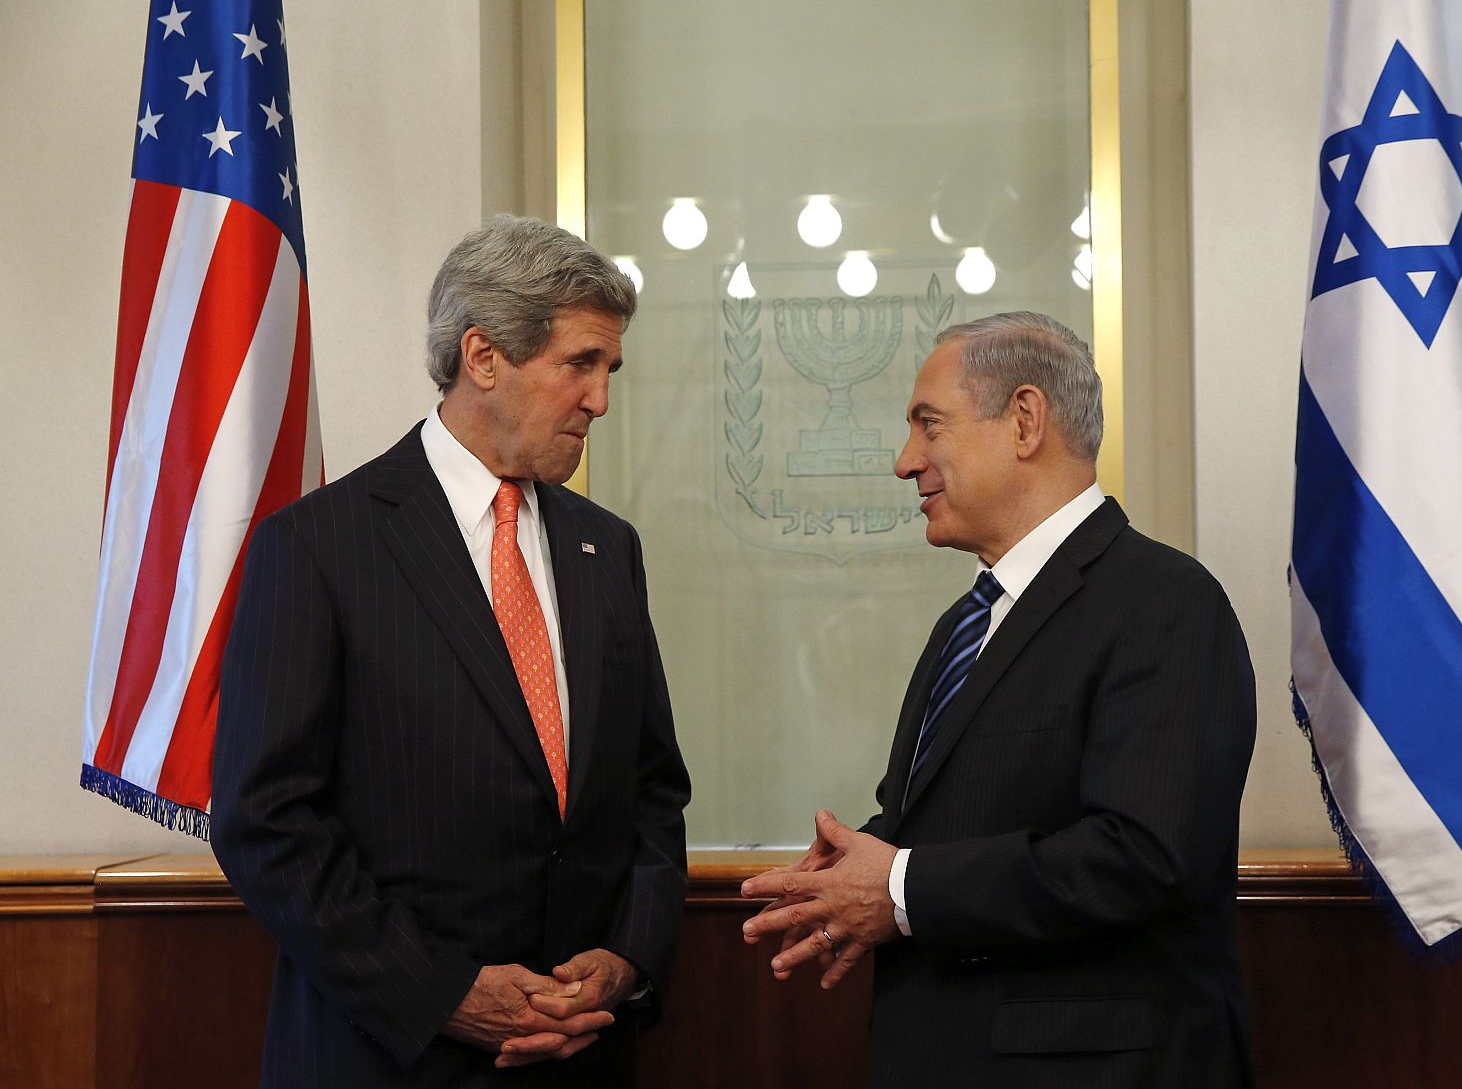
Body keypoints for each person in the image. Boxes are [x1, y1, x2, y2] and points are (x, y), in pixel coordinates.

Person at [212, 215, 690, 1087]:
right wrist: (441, 993)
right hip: (389, 1055)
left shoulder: (607, 547)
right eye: (580, 364)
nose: (600, 400)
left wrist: (629, 956)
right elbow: (266, 821)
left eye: (609, 371)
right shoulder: (319, 547)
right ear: (483, 356)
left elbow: (652, 788)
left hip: (583, 1052)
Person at [742, 312, 1257, 1088]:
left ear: (1024, 421)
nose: (905, 461)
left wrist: (901, 887)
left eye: (929, 425)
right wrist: (852, 873)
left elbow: (1146, 857)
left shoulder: (1167, 603)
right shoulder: (967, 621)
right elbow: (963, 821)